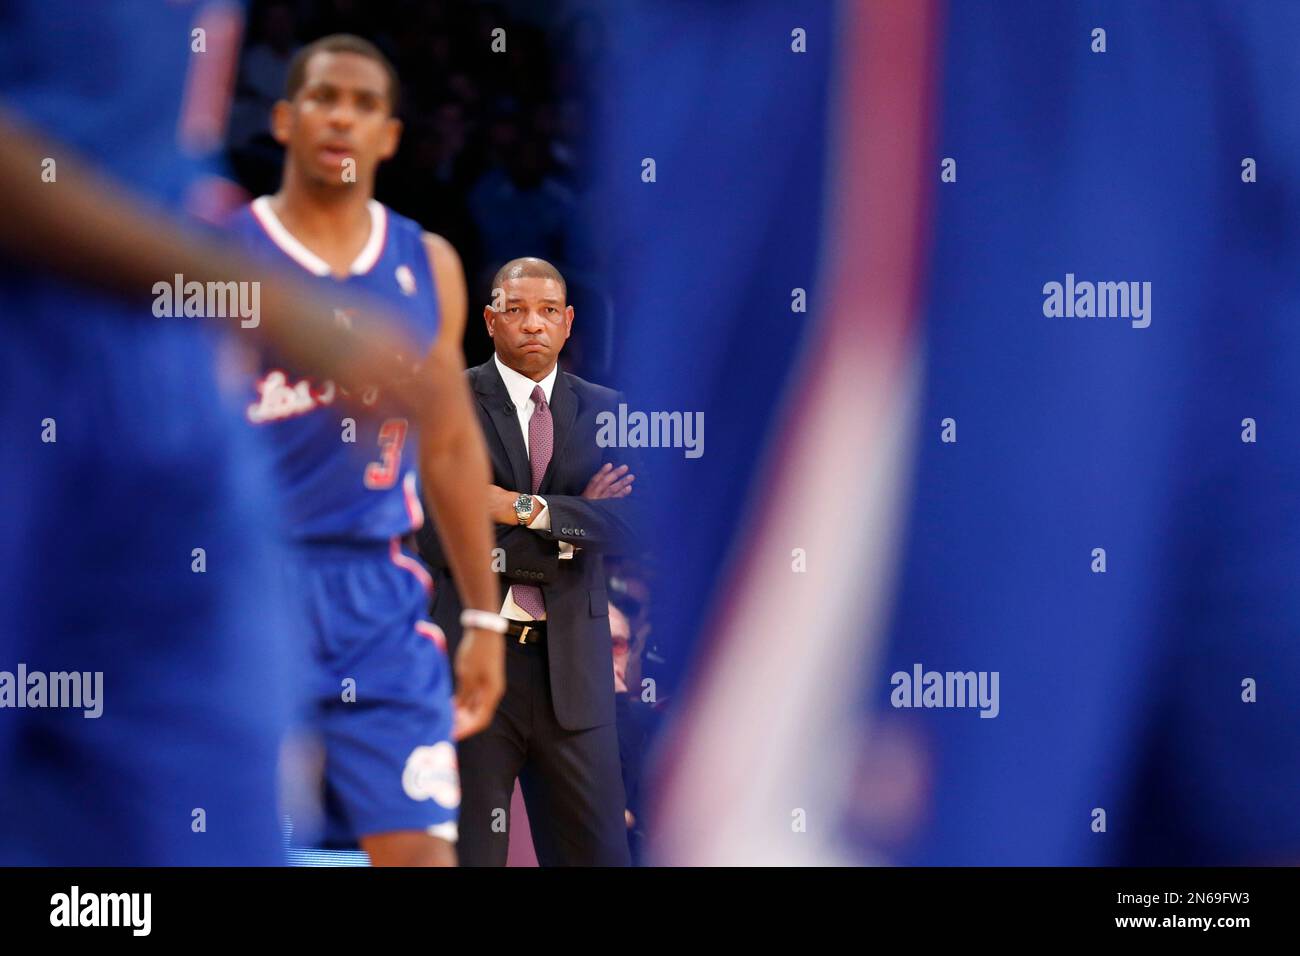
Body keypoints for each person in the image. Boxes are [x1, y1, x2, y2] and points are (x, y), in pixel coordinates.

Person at [0, 3, 439, 864]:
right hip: (49, 355)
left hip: (165, 382)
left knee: (206, 819)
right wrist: (259, 297)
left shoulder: (418, 259)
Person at [226, 34, 504, 867]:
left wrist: (485, 616)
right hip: (243, 578)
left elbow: (452, 446)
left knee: (420, 853)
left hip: (376, 592)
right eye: (322, 98)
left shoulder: (431, 264)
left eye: (364, 103)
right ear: (284, 119)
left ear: (389, 135)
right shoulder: (219, 255)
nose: (341, 117)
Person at [419, 256, 636, 866]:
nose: (532, 324)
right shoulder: (450, 401)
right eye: (515, 311)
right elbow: (440, 535)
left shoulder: (610, 410)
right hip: (477, 664)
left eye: (547, 312)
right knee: (473, 858)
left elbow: (634, 524)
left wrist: (517, 508)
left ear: (568, 323)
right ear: (490, 321)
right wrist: (574, 519)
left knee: (597, 857)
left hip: (578, 670)